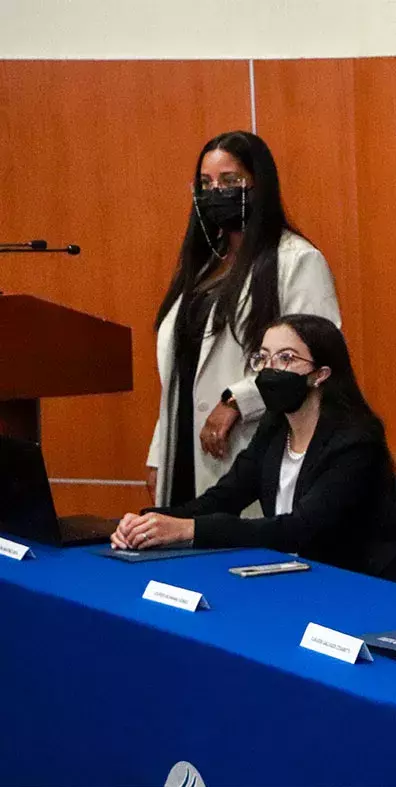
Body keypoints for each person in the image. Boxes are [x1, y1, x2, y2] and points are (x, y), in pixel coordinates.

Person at [113, 315, 396, 581]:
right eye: (264, 358)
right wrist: (149, 521)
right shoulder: (274, 427)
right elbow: (224, 497)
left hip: (356, 583)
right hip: (290, 577)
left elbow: (301, 528)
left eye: (286, 358)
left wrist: (190, 530)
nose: (271, 370)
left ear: (320, 374)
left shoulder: (356, 439)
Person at [147, 130, 340, 508]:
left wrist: (237, 401)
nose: (216, 192)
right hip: (183, 447)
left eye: (230, 181)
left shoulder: (295, 261)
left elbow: (311, 358)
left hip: (249, 443)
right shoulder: (203, 266)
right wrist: (159, 452)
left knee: (230, 552)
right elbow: (181, 371)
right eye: (206, 184)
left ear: (259, 186)